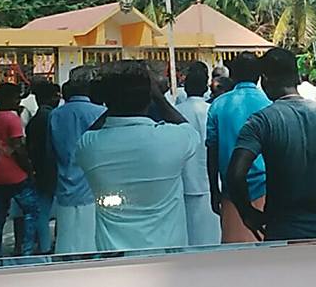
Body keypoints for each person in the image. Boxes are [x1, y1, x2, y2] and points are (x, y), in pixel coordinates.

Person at [228, 48, 316, 241]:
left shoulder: (261, 122)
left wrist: (248, 213)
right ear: (297, 77)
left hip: (283, 230)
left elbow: (235, 174)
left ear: (264, 79)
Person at [76, 60, 199, 251]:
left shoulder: (90, 145)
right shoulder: (171, 139)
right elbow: (188, 129)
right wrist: (159, 98)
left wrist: (114, 100)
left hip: (115, 263)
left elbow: (90, 132)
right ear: (149, 98)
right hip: (168, 258)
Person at [205, 52, 271, 243]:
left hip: (230, 191)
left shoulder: (218, 105)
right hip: (266, 189)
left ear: (232, 76)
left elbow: (212, 151)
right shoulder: (269, 103)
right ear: (259, 76)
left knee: (235, 255)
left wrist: (213, 190)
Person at [48, 66, 105, 254]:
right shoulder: (99, 112)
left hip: (64, 179)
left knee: (66, 232)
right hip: (91, 183)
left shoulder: (55, 114)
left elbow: (51, 150)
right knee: (89, 234)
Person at [0, 82, 39, 258]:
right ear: (8, 98)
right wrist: (30, 169)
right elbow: (18, 148)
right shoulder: (12, 118)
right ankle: (26, 250)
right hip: (16, 174)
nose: (18, 101)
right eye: (16, 98)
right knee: (31, 212)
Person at [175, 61, 221, 246]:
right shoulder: (213, 110)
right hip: (212, 182)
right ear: (206, 87)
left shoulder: (176, 113)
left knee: (191, 237)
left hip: (185, 182)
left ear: (185, 87)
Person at [26, 79, 59, 254]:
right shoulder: (52, 117)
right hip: (52, 170)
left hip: (40, 170)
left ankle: (44, 244)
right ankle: (47, 245)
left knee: (43, 211)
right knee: (49, 211)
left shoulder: (36, 119)